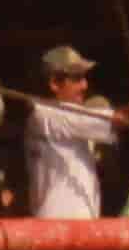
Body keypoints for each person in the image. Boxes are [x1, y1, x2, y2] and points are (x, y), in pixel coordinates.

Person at [19, 44, 123, 221]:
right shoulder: (48, 115)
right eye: (77, 78)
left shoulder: (48, 118)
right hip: (60, 229)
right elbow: (119, 120)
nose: (85, 85)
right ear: (54, 83)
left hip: (71, 228)